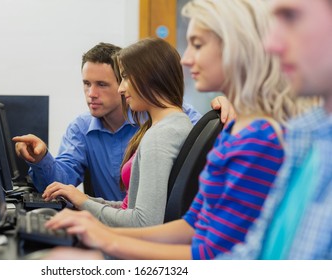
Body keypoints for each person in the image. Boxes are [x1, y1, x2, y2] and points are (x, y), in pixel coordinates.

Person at [43, 0, 306, 260]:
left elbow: (215, 254)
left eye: (198, 45)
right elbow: (193, 227)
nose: (187, 59)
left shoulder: (256, 138)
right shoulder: (229, 131)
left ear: (236, 48)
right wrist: (98, 231)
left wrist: (106, 240)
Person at [13, 43, 235, 201]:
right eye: (86, 83)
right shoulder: (80, 128)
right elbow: (58, 184)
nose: (91, 93)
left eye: (101, 84)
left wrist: (222, 107)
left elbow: (207, 143)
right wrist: (41, 159)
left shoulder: (165, 116)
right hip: (111, 226)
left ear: (125, 83)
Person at [218, 0, 332, 260]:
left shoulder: (268, 135)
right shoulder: (304, 136)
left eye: (291, 17)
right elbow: (251, 256)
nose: (270, 44)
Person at [42, 38, 193, 227]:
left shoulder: (160, 135)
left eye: (126, 77)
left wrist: (82, 202)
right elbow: (129, 208)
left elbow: (142, 222)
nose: (122, 88)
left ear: (150, 77)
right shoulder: (178, 123)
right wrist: (82, 200)